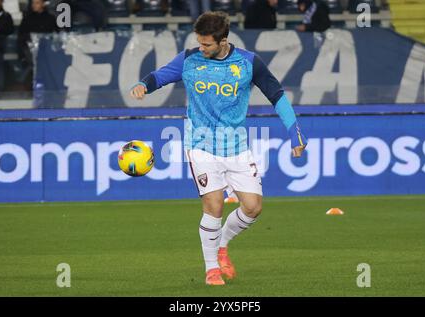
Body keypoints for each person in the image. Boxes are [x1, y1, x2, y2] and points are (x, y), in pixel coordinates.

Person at [130, 11, 307, 286]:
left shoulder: (248, 63)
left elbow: (277, 95)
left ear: (223, 40)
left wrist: (294, 134)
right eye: (199, 43)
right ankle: (211, 268)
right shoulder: (190, 59)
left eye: (207, 44)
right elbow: (160, 76)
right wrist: (143, 85)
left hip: (236, 147)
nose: (202, 48)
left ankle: (222, 243)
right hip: (200, 145)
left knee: (253, 208)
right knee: (213, 205)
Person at [17, 0, 57, 89]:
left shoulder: (50, 18)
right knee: (36, 61)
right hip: (30, 47)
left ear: (43, 4)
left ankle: (47, 85)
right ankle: (31, 84)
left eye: (37, 3)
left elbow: (56, 33)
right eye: (33, 3)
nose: (34, 5)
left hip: (46, 48)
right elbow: (21, 35)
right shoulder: (27, 18)